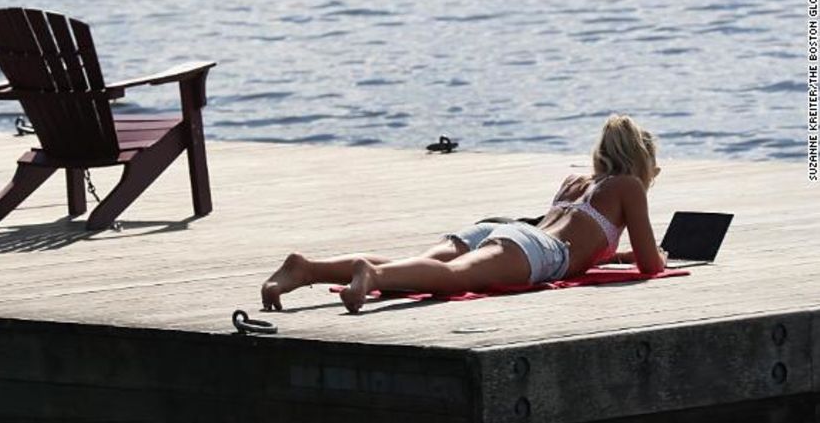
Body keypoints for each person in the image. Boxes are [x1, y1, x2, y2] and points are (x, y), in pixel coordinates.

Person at [260, 115, 668, 314]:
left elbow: (581, 237)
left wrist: (616, 256)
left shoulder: (574, 181)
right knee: (455, 279)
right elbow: (651, 265)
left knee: (422, 265)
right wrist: (655, 258)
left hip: (504, 230)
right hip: (538, 250)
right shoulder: (628, 187)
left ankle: (308, 269)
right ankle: (373, 276)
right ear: (640, 162)